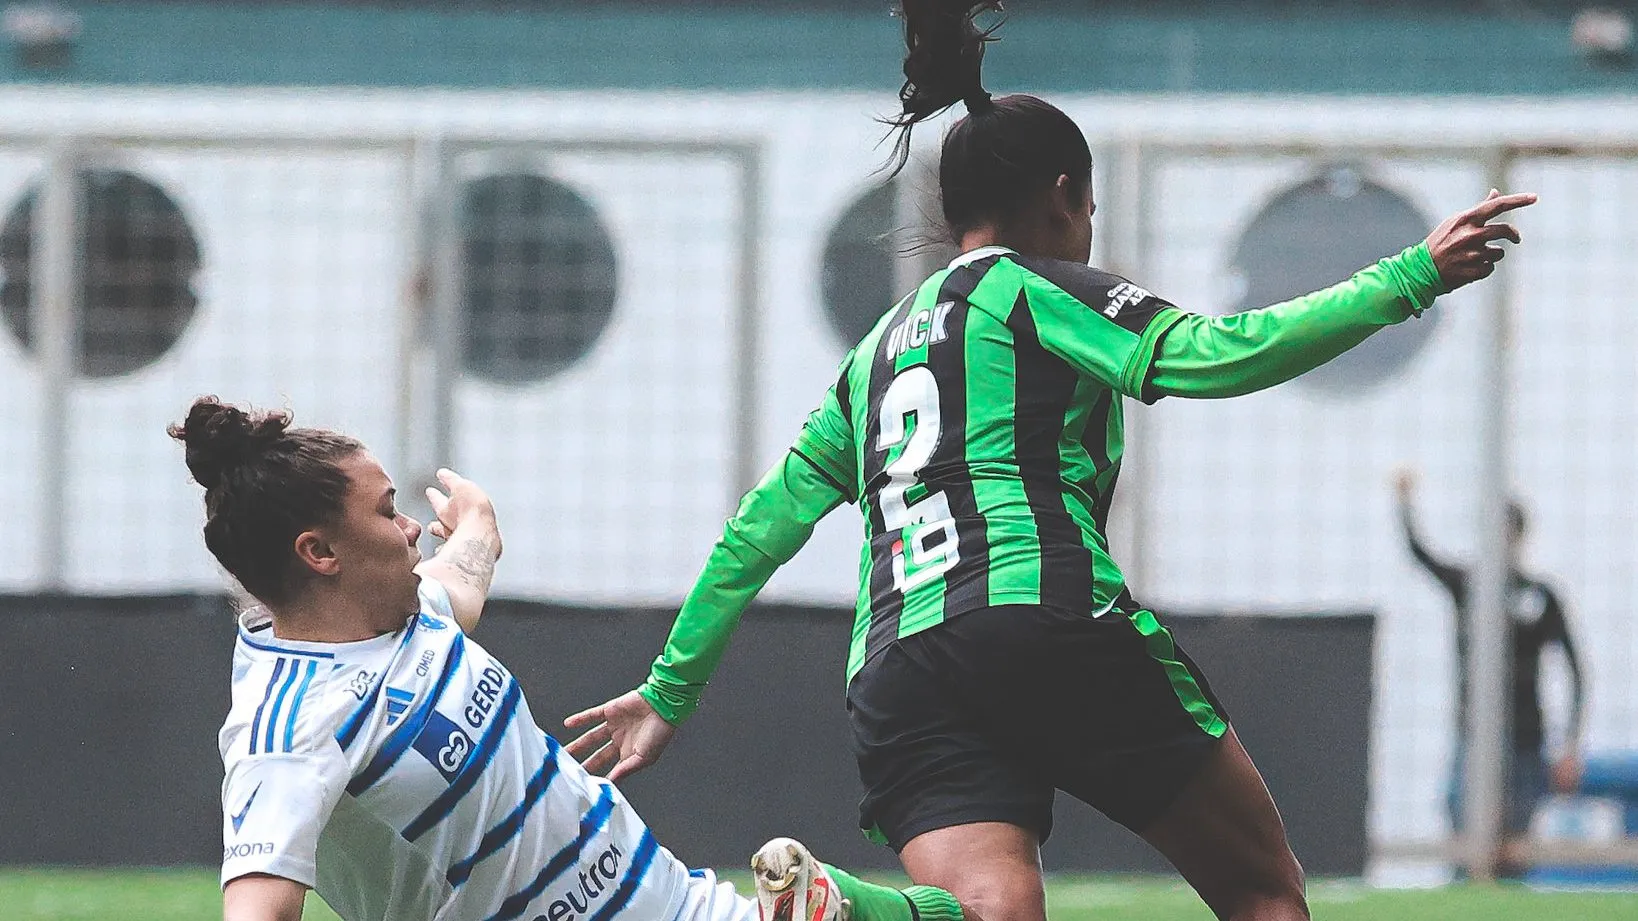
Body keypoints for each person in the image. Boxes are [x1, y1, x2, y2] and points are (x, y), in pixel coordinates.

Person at [563, 5, 1537, 921]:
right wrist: (1411, 276)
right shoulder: (1032, 289)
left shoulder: (869, 360)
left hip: (899, 668)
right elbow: (1216, 354)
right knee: (1263, 894)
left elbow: (757, 531)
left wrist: (669, 691)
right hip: (1041, 616)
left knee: (992, 910)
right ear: (1067, 197)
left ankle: (846, 909)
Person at [174, 397, 968, 921]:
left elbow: (463, 574)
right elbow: (258, 906)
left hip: (675, 905)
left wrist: (480, 523)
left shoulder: (404, 611)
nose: (411, 527)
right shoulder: (289, 725)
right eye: (386, 512)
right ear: (319, 552)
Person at [1393, 469, 1586, 875]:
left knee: (1514, 847)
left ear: (1519, 537)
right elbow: (1419, 553)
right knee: (1464, 837)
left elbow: (1575, 671)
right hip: (1473, 736)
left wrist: (1570, 745)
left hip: (1526, 736)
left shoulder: (1540, 595)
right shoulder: (1468, 585)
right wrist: (1404, 503)